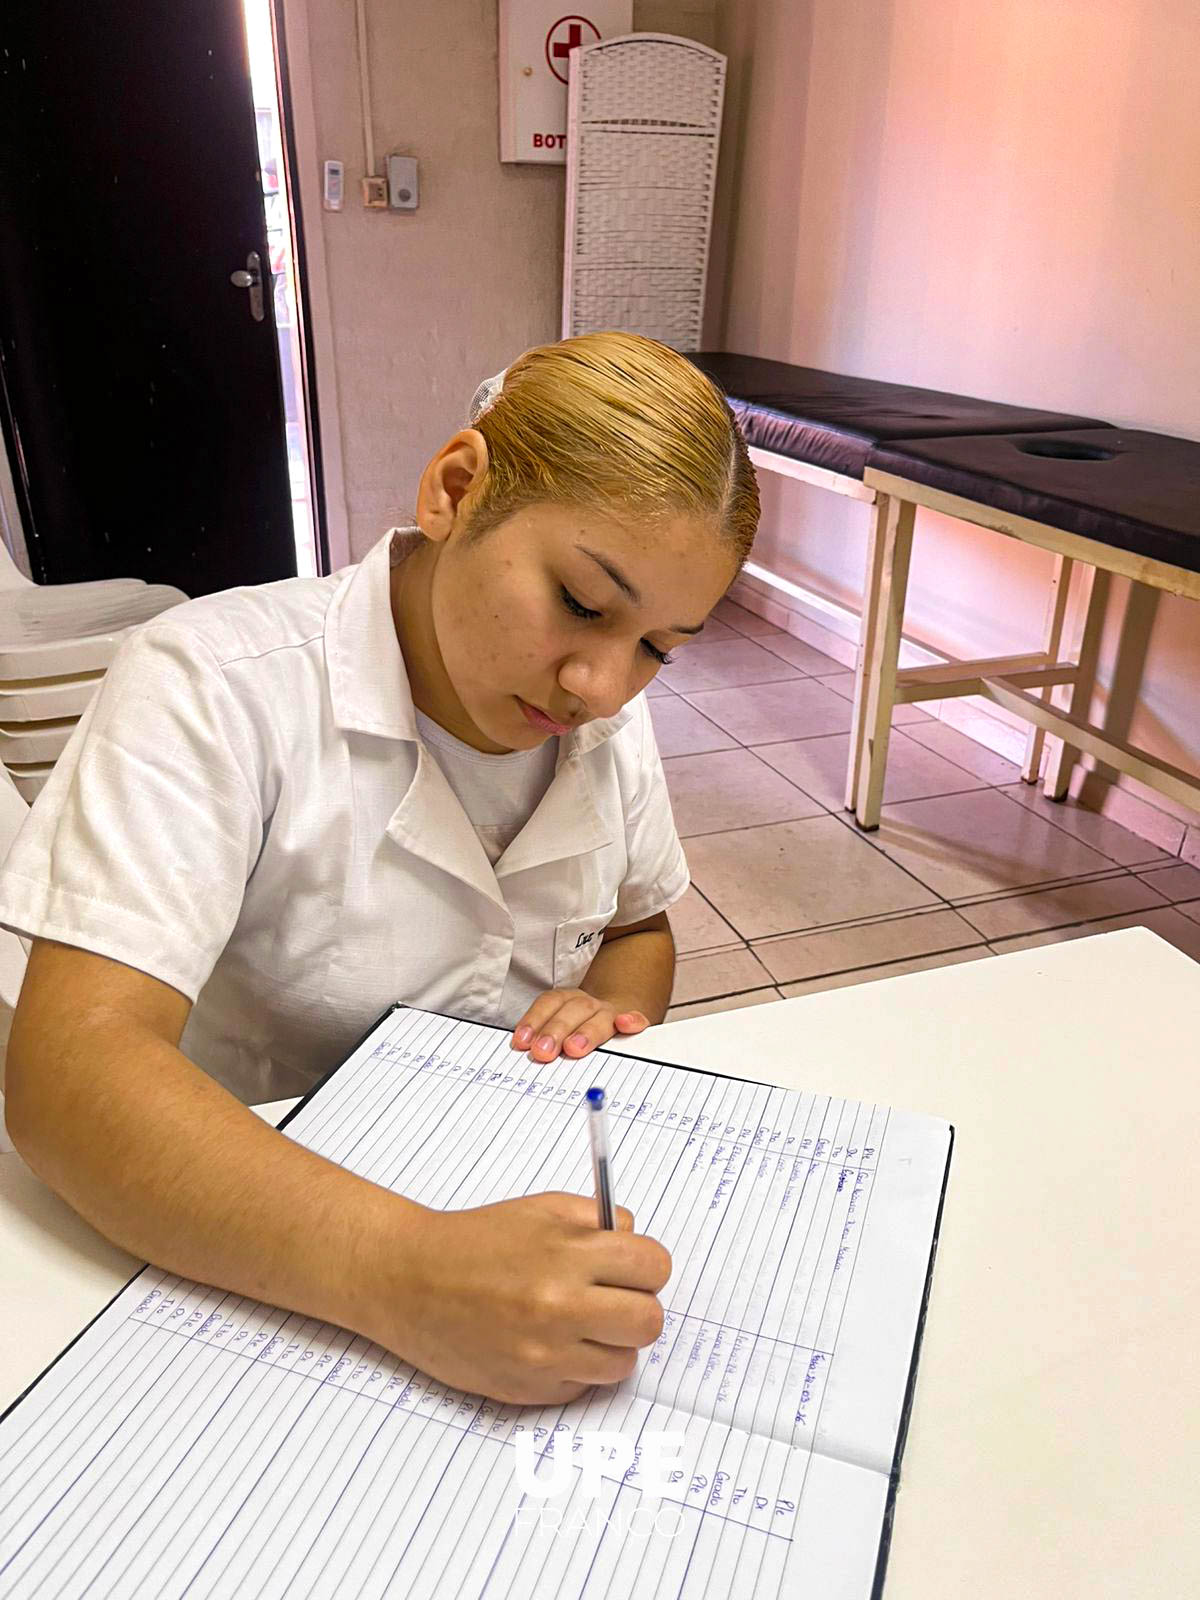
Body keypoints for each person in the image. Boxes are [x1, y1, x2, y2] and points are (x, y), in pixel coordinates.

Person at [1, 331, 760, 1403]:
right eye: (584, 604)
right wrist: (405, 1274)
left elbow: (639, 926)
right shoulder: (212, 686)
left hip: (502, 1192)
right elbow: (68, 1074)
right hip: (241, 1237)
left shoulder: (598, 727)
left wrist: (609, 1008)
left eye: (657, 649)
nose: (601, 685)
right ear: (456, 489)